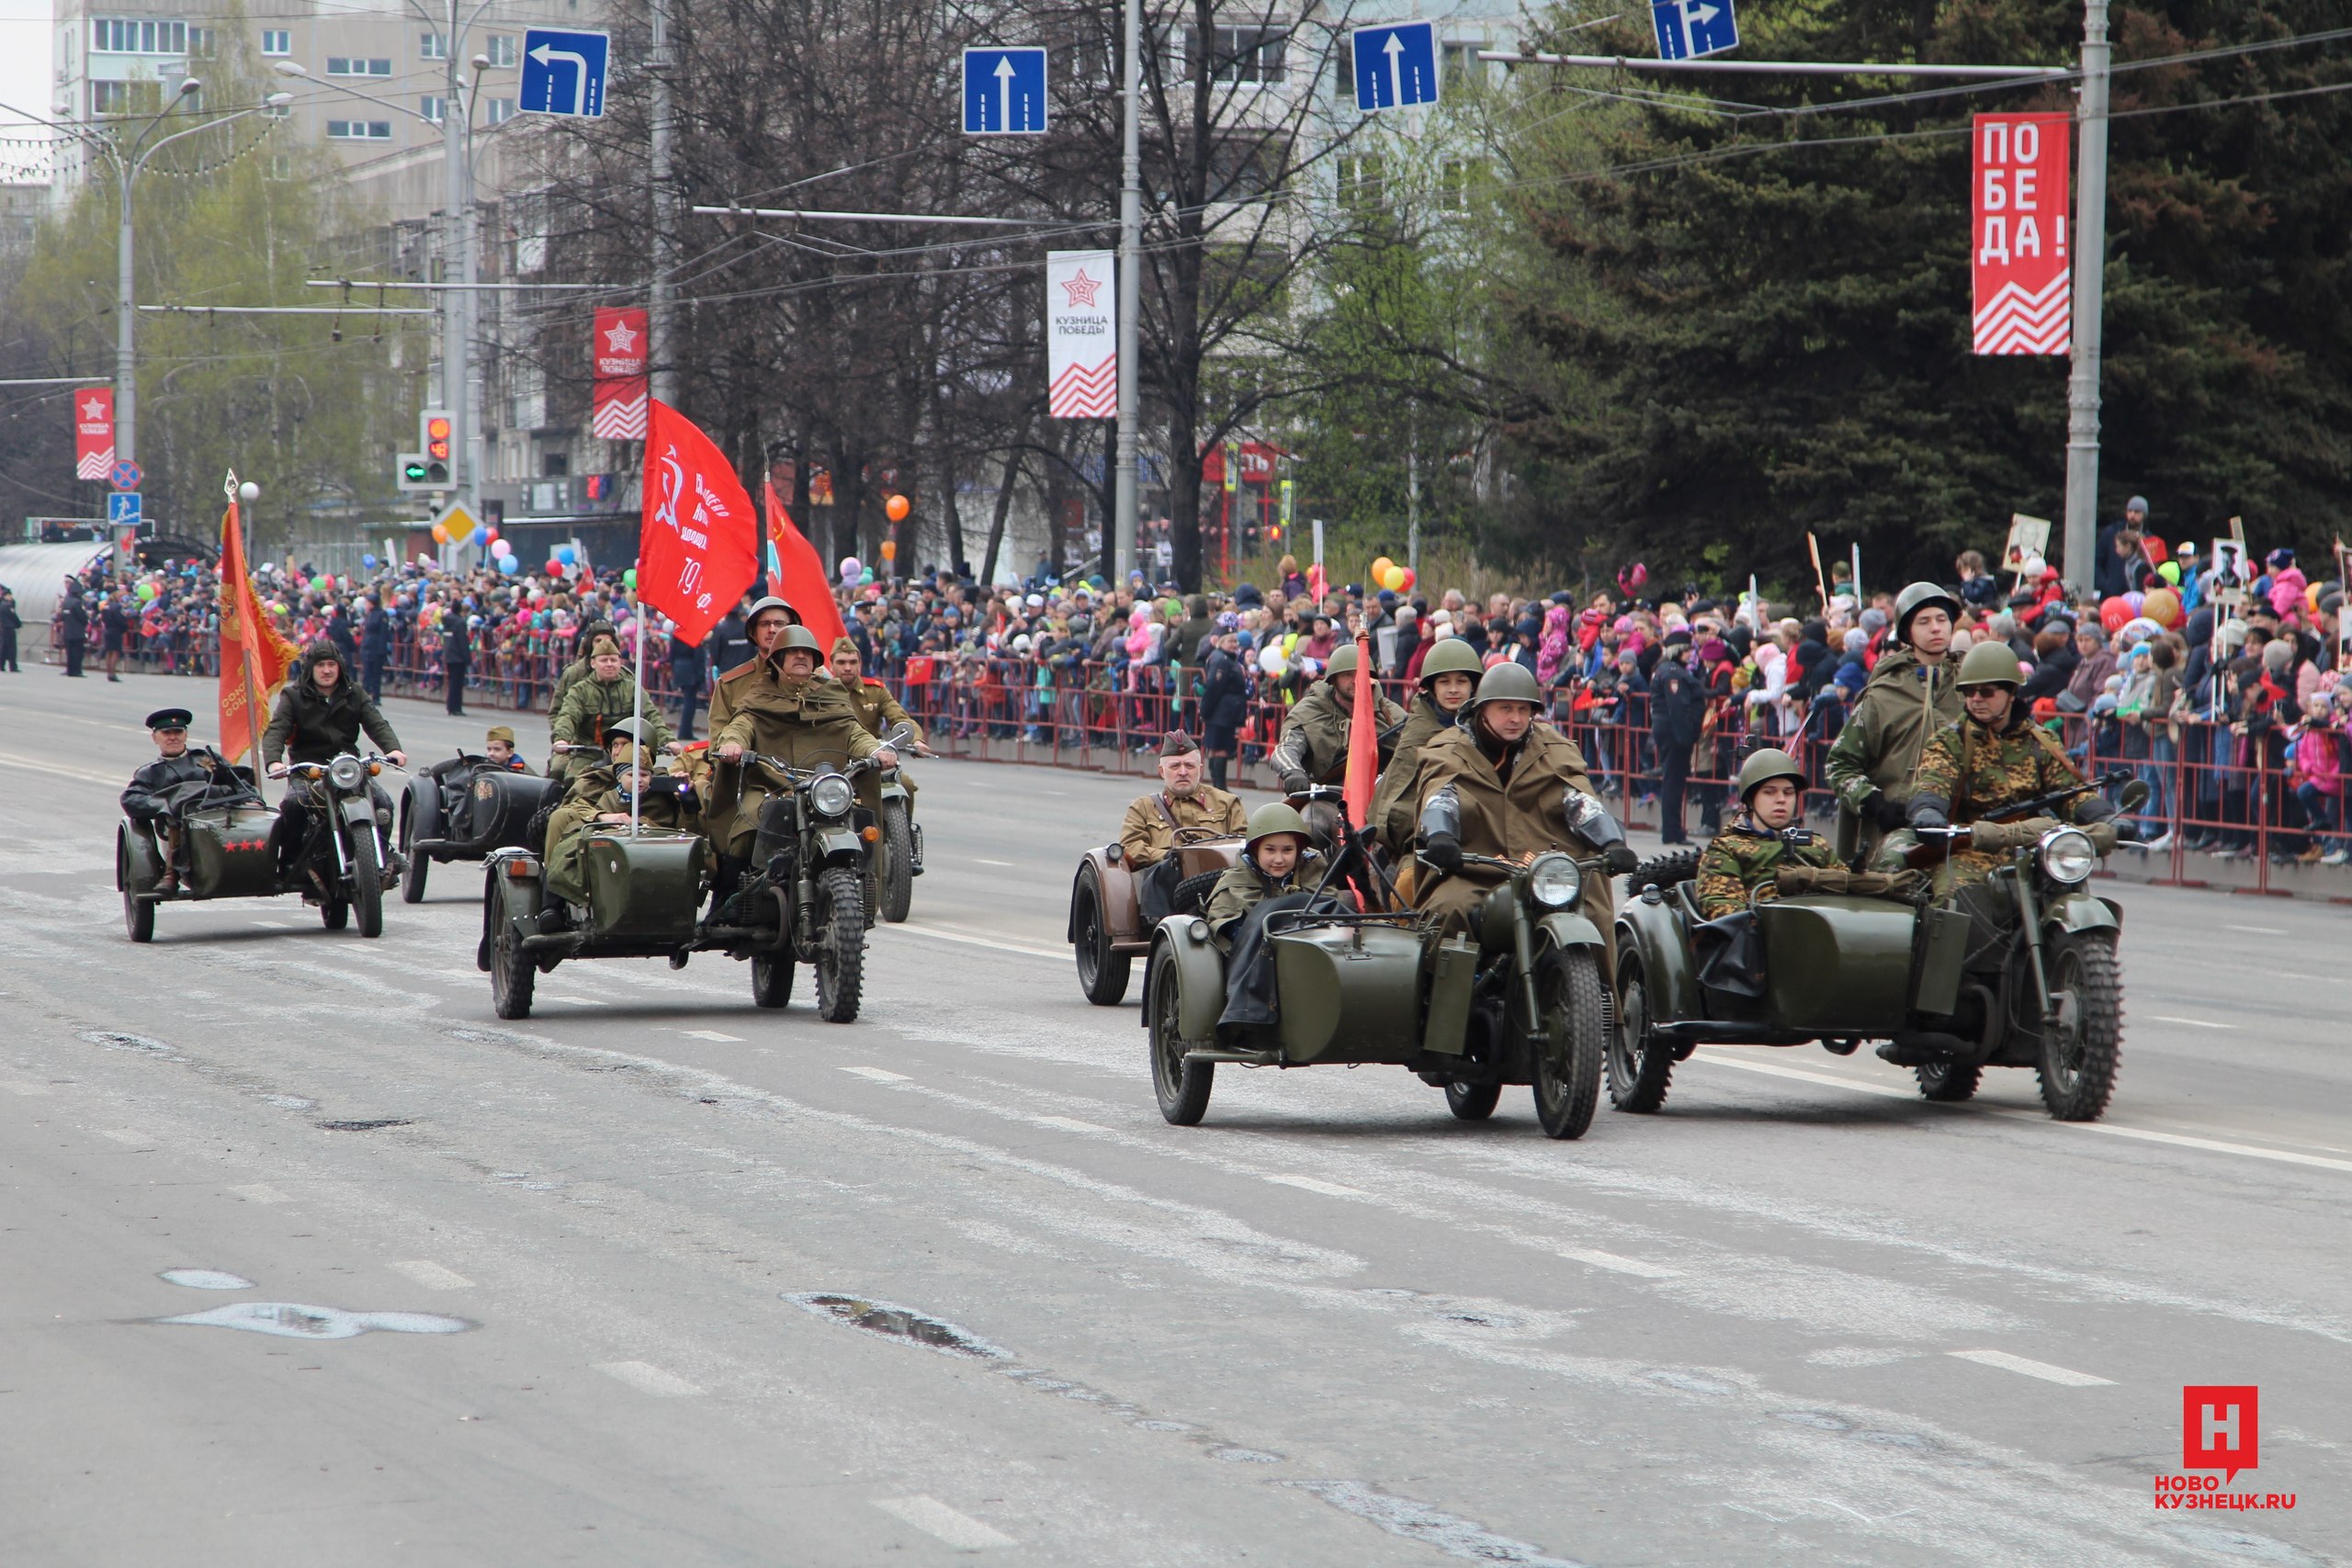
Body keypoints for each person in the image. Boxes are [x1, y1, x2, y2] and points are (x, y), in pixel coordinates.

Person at [1408, 663, 1624, 949]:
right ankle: (1451, 992)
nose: (1516, 718)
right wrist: (1441, 836)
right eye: (1506, 709)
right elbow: (1441, 797)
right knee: (1448, 910)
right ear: (1482, 709)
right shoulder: (1449, 749)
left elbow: (1579, 800)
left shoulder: (1555, 748)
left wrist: (1611, 842)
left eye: (1523, 710)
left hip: (1549, 871)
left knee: (1594, 911)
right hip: (1475, 869)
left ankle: (1598, 992)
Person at [1904, 641, 2121, 888]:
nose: (1976, 699)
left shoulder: (2041, 741)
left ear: (2011, 692)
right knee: (1954, 898)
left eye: (1986, 691)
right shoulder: (1950, 741)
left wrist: (2106, 816)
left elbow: (2070, 791)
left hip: (2035, 848)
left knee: (2072, 896)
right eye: (1969, 691)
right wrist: (1928, 811)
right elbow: (1934, 781)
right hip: (1969, 848)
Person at [709, 624, 894, 897]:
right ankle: (730, 900)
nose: (800, 657)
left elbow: (855, 733)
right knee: (745, 828)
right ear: (778, 660)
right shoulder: (759, 696)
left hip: (825, 786)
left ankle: (863, 891)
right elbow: (741, 725)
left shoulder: (831, 694)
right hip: (771, 786)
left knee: (862, 828)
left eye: (807, 653)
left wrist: (875, 751)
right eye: (792, 652)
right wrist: (733, 744)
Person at [1826, 581, 1963, 863]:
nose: (1936, 628)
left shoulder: (1974, 687)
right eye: (1924, 621)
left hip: (1964, 821)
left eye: (1942, 619)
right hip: (1898, 828)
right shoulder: (1883, 694)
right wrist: (1874, 803)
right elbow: (1839, 764)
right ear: (1907, 632)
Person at [258, 641, 406, 880]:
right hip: (309, 770)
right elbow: (277, 729)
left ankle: (382, 858)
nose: (326, 670)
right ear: (310, 669)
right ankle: (291, 861)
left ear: (340, 667)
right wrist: (274, 762)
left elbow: (376, 724)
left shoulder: (354, 692)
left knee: (383, 804)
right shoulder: (293, 695)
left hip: (348, 768)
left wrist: (394, 750)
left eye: (331, 664)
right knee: (295, 805)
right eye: (320, 665)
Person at [540, 720, 695, 916]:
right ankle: (552, 903)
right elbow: (572, 806)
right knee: (561, 817)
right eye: (614, 745)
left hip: (651, 857)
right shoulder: (595, 779)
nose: (618, 750)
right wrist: (602, 816)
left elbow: (686, 828)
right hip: (600, 846)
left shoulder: (665, 785)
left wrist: (687, 799)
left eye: (627, 744)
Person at [1694, 749, 1838, 920]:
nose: (1781, 800)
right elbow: (1725, 911)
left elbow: (1847, 894)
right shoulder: (1725, 850)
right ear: (1751, 798)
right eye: (1769, 792)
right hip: (1762, 938)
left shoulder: (1816, 844)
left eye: (1788, 792)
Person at [1119, 730, 1248, 922]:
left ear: (1200, 769)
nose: (1183, 772)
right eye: (1175, 766)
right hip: (1166, 890)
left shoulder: (1227, 803)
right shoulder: (1144, 807)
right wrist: (1167, 857)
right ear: (1162, 771)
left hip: (1220, 884)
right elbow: (1130, 847)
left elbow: (1245, 844)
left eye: (1189, 765)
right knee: (1162, 870)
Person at [1372, 637, 1483, 854]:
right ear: (1432, 687)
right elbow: (1398, 793)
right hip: (1417, 838)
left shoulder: (1487, 727)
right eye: (1444, 682)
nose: (1453, 689)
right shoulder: (1418, 728)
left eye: (1461, 681)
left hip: (1480, 833)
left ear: (1473, 686)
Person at [119, 707, 238, 893]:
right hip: (178, 825)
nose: (173, 737)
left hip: (220, 817)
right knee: (177, 817)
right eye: (166, 733)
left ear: (186, 734)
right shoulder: (149, 772)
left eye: (178, 732)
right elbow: (131, 800)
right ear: (155, 738)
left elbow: (239, 784)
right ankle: (171, 874)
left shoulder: (207, 759)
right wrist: (165, 805)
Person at [1271, 641, 1408, 794]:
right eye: (1348, 675)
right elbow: (1287, 747)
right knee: (1307, 817)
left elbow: (1417, 747)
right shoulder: (1310, 709)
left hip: (1380, 795)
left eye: (1361, 674)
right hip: (1324, 793)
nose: (1356, 681)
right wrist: (1293, 772)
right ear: (1334, 679)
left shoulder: (1391, 713)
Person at [550, 633, 673, 781]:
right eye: (604, 660)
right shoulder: (580, 690)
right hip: (589, 751)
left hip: (627, 752)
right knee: (574, 781)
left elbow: (651, 715)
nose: (609, 664)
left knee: (650, 782)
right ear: (593, 663)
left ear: (620, 662)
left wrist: (668, 740)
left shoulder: (632, 688)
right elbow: (568, 716)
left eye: (613, 660)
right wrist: (562, 739)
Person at [1204, 803, 1322, 951]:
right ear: (1255, 850)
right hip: (1255, 961)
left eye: (1287, 850)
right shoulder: (1235, 882)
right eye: (1270, 850)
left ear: (1298, 851)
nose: (1278, 859)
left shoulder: (1314, 875)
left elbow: (1332, 916)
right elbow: (1224, 926)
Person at [706, 596, 805, 737]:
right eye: (764, 624)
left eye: (779, 623)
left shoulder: (813, 680)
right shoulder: (730, 684)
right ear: (753, 632)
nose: (772, 629)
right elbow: (717, 739)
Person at [1647, 628, 1707, 846]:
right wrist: (1686, 736)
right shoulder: (1672, 673)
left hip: (1672, 732)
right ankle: (1672, 832)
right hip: (1675, 734)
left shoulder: (1670, 670)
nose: (1690, 653)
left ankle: (1673, 830)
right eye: (1687, 649)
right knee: (1673, 781)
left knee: (1674, 781)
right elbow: (1678, 707)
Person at [669, 625, 707, 741]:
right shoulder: (693, 633)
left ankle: (685, 730)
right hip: (691, 669)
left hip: (679, 667)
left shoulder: (676, 634)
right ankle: (685, 731)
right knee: (690, 701)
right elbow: (698, 655)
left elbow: (671, 654)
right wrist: (701, 675)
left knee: (687, 700)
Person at [439, 610, 470, 716]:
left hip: (449, 655)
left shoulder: (447, 622)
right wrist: (467, 658)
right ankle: (456, 707)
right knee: (456, 684)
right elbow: (463, 642)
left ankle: (450, 706)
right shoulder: (460, 623)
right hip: (458, 657)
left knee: (452, 683)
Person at [58, 581, 87, 677]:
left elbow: (63, 616)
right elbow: (82, 617)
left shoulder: (66, 602)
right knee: (78, 653)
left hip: (68, 631)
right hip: (77, 632)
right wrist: (85, 621)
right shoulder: (77, 603)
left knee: (70, 653)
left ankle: (70, 670)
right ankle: (77, 670)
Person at [0, 584, 20, 672]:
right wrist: (19, 624)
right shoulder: (7, 606)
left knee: (3, 647)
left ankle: (1, 665)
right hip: (9, 628)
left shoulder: (2, 604)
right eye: (9, 595)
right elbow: (13, 616)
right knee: (12, 648)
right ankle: (13, 666)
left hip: (3, 628)